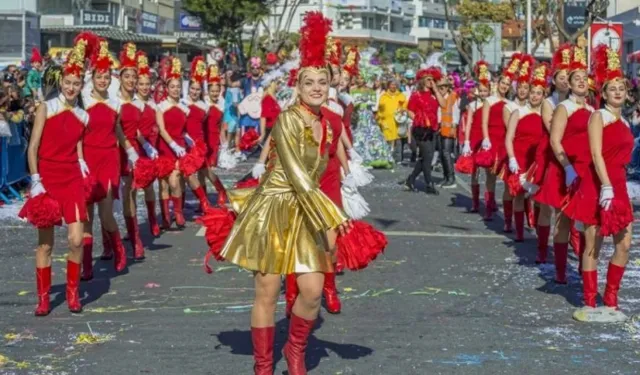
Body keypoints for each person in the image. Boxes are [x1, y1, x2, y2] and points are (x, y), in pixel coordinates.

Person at [199, 13, 384, 374]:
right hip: (278, 208)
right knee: (267, 291)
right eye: (309, 82)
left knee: (312, 292)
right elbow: (299, 178)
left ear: (330, 86)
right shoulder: (288, 120)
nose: (316, 87)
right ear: (297, 88)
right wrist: (336, 218)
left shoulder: (328, 123)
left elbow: (323, 171)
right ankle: (264, 365)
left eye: (322, 82)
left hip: (308, 209)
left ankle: (295, 349)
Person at [21, 33, 92, 315]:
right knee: (46, 244)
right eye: (68, 82)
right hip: (48, 177)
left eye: (76, 83)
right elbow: (33, 147)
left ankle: (73, 293)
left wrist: (82, 161)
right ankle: (43, 298)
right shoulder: (45, 107)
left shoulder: (83, 116)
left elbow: (76, 144)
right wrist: (36, 180)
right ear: (60, 81)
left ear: (80, 84)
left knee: (76, 239)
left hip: (72, 177)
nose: (72, 87)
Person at [565, 45, 633, 322]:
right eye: (612, 88)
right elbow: (595, 153)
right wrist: (605, 185)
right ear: (602, 93)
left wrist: (616, 186)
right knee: (593, 244)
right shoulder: (598, 116)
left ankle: (612, 296)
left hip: (619, 186)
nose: (617, 92)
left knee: (625, 243)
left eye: (621, 88)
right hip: (597, 186)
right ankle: (590, 299)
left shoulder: (626, 123)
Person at [532, 42, 593, 283]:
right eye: (575, 77)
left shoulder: (592, 108)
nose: (579, 81)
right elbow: (555, 139)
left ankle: (582, 264)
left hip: (586, 169)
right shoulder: (561, 106)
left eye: (584, 77)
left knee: (586, 218)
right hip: (562, 168)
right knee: (563, 218)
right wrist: (567, 167)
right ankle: (559, 268)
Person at [82, 36, 134, 278]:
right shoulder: (83, 101)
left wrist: (131, 151)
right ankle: (86, 265)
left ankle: (118, 248)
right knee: (85, 217)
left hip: (108, 160)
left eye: (106, 77)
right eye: (98, 77)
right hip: (87, 161)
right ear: (91, 78)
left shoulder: (115, 104)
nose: (102, 81)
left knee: (105, 214)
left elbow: (118, 130)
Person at [527, 44, 573, 264]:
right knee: (547, 206)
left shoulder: (578, 101)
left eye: (568, 76)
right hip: (550, 155)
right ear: (554, 80)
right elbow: (550, 127)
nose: (565, 80)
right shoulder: (548, 102)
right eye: (561, 76)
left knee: (569, 206)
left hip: (572, 155)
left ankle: (568, 244)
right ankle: (542, 248)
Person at [503, 62, 548, 242]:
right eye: (532, 92)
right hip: (520, 159)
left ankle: (538, 228)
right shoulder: (518, 112)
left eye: (539, 93)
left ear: (543, 95)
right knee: (519, 195)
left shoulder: (547, 115)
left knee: (538, 197)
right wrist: (512, 158)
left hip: (538, 161)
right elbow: (509, 138)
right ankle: (520, 231)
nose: (535, 96)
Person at [116, 42, 147, 261]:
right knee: (108, 198)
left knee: (130, 195)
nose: (131, 81)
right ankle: (111, 243)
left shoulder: (139, 103)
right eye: (127, 77)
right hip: (114, 151)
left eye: (134, 77)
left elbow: (137, 130)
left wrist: (146, 148)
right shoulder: (113, 101)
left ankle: (135, 238)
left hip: (133, 152)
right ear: (120, 78)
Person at [403, 67, 446, 195]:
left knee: (426, 157)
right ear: (422, 80)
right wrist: (419, 119)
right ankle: (429, 183)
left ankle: (410, 180)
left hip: (433, 129)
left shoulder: (434, 95)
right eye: (428, 79)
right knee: (427, 157)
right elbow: (409, 111)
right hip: (420, 130)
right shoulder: (416, 95)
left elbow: (443, 105)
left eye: (432, 79)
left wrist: (436, 89)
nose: (430, 81)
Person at [134, 50, 162, 238]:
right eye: (141, 84)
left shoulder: (154, 105)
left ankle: (152, 218)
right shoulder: (131, 104)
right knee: (132, 190)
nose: (144, 87)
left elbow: (161, 127)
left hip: (150, 149)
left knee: (149, 187)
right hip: (135, 148)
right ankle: (133, 226)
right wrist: (143, 144)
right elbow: (132, 129)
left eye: (147, 84)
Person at [462, 61, 492, 212]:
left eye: (485, 90)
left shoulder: (492, 104)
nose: (483, 93)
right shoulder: (472, 105)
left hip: (487, 139)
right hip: (474, 138)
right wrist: (466, 141)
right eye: (481, 90)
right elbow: (468, 124)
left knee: (489, 171)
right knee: (475, 172)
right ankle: (474, 202)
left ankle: (489, 201)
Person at [436, 76, 459, 188]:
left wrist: (453, 127)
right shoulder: (439, 98)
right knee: (442, 154)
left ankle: (451, 178)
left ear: (447, 87)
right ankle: (446, 177)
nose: (441, 89)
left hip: (449, 129)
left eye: (443, 87)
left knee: (446, 154)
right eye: (439, 87)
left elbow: (455, 113)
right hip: (440, 129)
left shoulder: (452, 97)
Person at [376, 79, 407, 152]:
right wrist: (380, 120)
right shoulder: (383, 96)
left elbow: (405, 105)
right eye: (392, 84)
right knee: (388, 141)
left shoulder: (401, 95)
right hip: (386, 122)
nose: (393, 86)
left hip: (398, 122)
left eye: (395, 85)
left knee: (398, 141)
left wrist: (402, 110)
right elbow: (380, 110)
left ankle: (398, 159)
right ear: (388, 86)